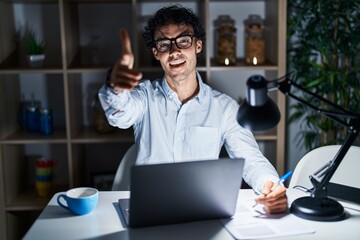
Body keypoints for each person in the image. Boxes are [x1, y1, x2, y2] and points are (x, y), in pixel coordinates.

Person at [98, 5, 287, 214]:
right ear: (156, 53)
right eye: (164, 44)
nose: (174, 51)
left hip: (201, 210)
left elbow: (250, 158)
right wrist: (114, 86)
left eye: (184, 41)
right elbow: (119, 115)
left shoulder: (224, 107)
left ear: (198, 45)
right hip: (149, 209)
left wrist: (271, 185)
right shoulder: (144, 97)